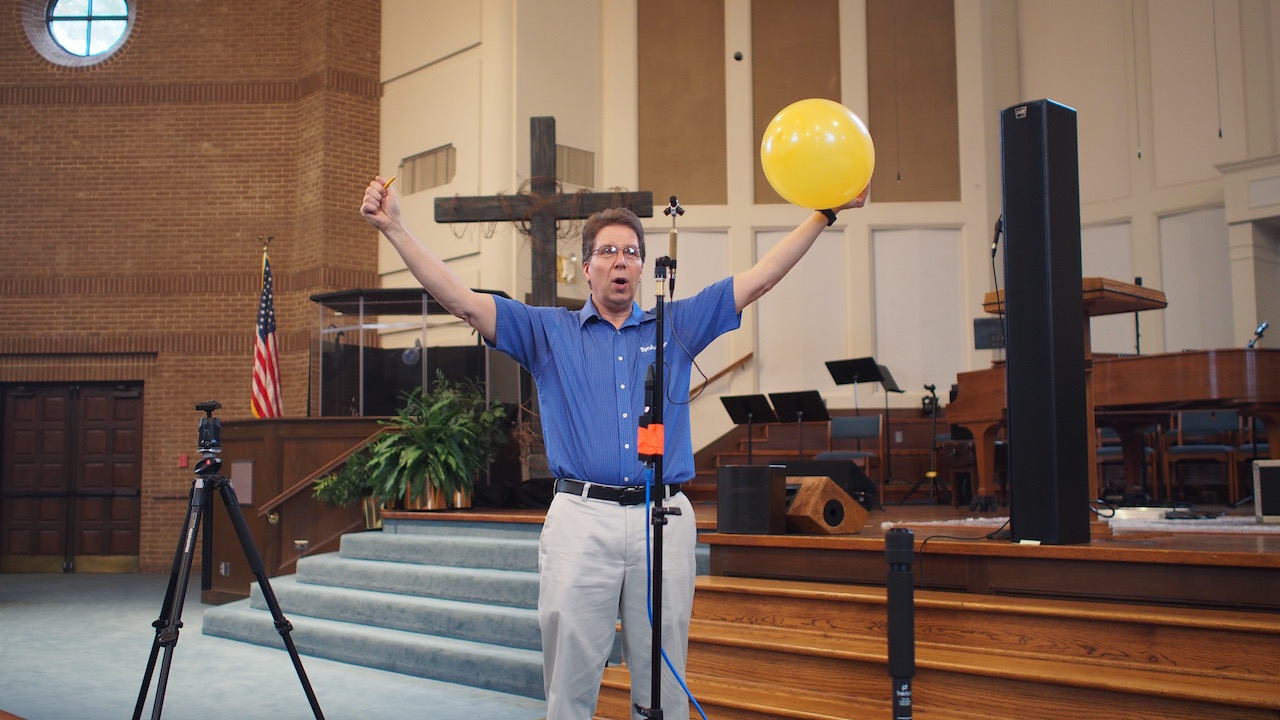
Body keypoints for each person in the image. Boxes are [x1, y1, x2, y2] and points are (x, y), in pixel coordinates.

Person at [361, 177, 867, 719]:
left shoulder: (676, 327)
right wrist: (395, 227)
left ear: (643, 267)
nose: (620, 260)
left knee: (663, 686)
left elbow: (760, 279)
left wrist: (824, 213)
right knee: (571, 682)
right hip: (582, 518)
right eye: (607, 251)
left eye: (631, 251)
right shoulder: (548, 331)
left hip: (664, 518)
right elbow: (460, 299)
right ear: (587, 268)